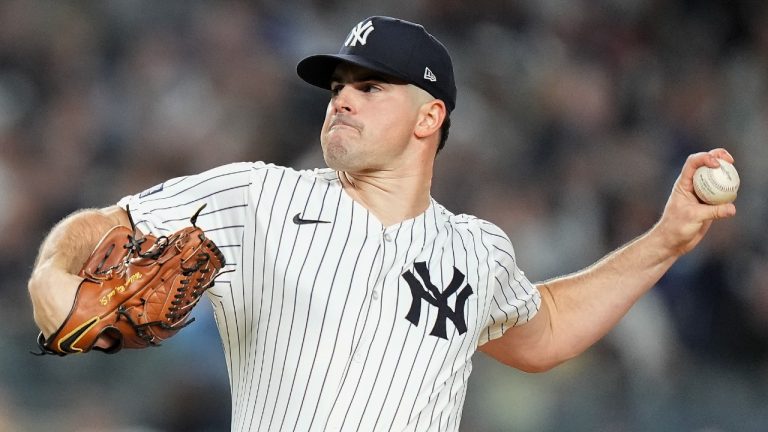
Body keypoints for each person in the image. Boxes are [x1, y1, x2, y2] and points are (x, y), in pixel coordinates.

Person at [28, 15, 736, 432]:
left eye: (369, 87)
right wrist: (56, 271)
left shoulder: (477, 250)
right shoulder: (256, 197)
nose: (342, 101)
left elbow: (545, 332)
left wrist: (665, 239)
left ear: (431, 116)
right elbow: (106, 226)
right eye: (338, 88)